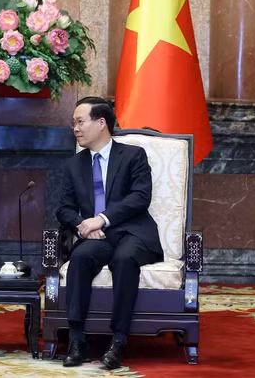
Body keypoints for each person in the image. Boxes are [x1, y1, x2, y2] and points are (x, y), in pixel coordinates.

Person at [56, 97, 164, 370]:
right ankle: (77, 339)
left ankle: (118, 340)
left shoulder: (132, 155)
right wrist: (83, 226)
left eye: (80, 122)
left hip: (132, 233)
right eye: (73, 123)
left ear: (101, 123)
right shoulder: (74, 165)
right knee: (80, 258)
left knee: (124, 260)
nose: (75, 128)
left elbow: (141, 197)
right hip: (97, 238)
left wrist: (100, 220)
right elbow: (64, 209)